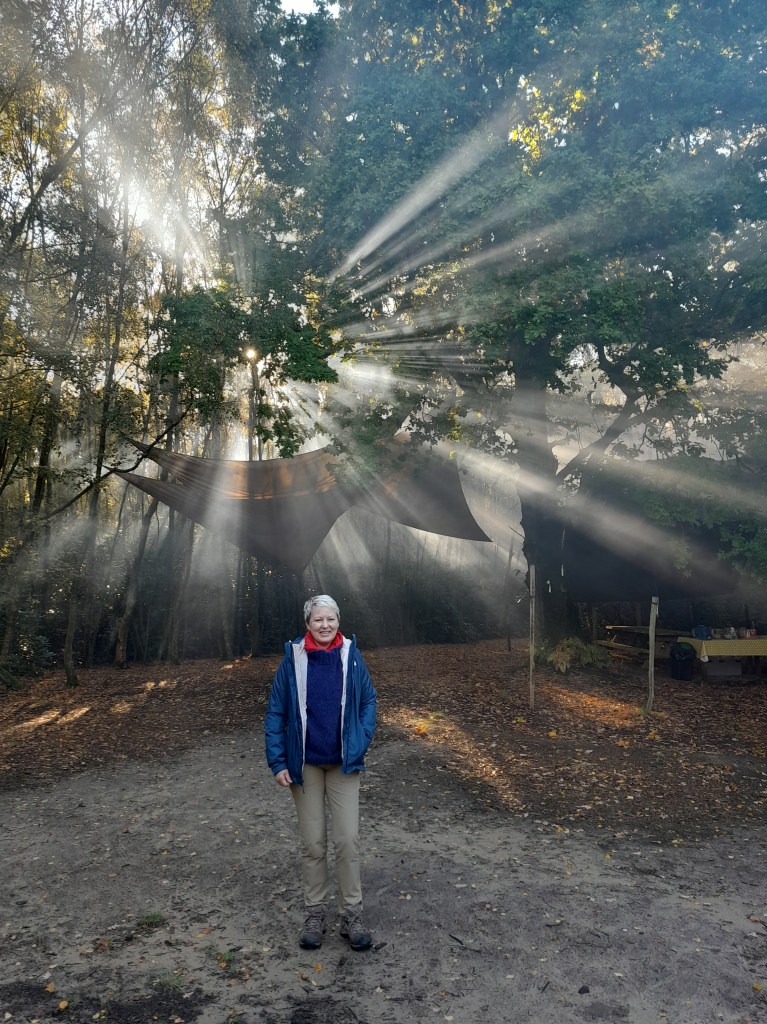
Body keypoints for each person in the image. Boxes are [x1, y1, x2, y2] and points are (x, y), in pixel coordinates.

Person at [264, 595, 377, 951]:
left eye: (330, 619)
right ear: (307, 624)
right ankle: (315, 914)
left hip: (344, 763)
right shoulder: (293, 658)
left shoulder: (351, 655)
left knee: (347, 841)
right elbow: (276, 712)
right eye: (318, 620)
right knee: (313, 843)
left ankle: (351, 915)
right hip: (305, 764)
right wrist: (278, 761)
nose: (324, 625)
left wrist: (360, 740)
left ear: (338, 620)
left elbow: (369, 701)